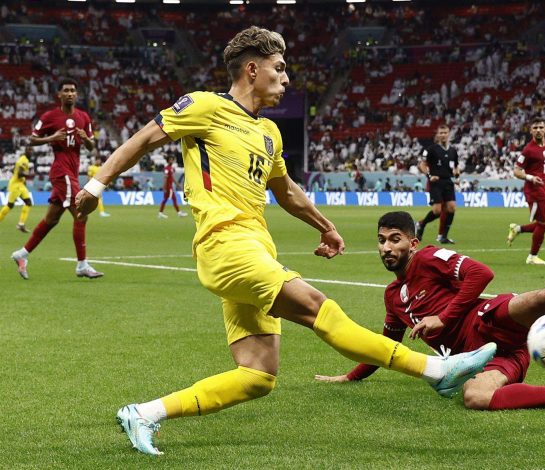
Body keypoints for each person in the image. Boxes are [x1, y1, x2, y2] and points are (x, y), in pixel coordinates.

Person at [75, 26, 495, 456]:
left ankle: (144, 413)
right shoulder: (205, 107)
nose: (287, 78)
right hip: (225, 243)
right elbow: (145, 137)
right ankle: (435, 369)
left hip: (255, 248)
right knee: (316, 307)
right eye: (280, 68)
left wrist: (324, 225)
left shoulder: (269, 133)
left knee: (257, 375)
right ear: (252, 69)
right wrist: (94, 186)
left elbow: (286, 189)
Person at [315, 211, 545, 412]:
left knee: (542, 298)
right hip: (489, 357)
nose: (385, 247)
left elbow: (482, 273)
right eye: (381, 241)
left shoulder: (430, 257)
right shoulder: (392, 297)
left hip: (489, 317)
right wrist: (350, 377)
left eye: (394, 239)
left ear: (413, 243)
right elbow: (385, 346)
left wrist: (444, 318)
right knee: (475, 398)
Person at [10, 78, 103, 280]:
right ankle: (82, 265)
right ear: (59, 95)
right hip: (62, 172)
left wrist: (85, 138)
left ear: (77, 95)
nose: (70, 93)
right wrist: (51, 138)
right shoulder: (50, 116)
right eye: (66, 90)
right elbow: (32, 140)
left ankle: (21, 254)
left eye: (73, 90)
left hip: (72, 171)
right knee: (82, 213)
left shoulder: (84, 117)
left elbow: (91, 147)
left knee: (51, 220)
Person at [506, 117, 545, 265]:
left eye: (541, 127)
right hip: (534, 191)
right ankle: (532, 257)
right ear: (531, 130)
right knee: (543, 222)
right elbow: (516, 171)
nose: (538, 130)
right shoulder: (528, 150)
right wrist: (531, 178)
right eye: (535, 128)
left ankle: (518, 229)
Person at [415, 124, 459, 244]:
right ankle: (420, 224)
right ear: (437, 135)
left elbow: (455, 167)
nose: (443, 135)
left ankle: (443, 236)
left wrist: (457, 177)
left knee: (451, 208)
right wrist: (429, 176)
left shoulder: (453, 151)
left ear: (449, 134)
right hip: (436, 182)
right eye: (441, 133)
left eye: (445, 133)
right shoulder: (431, 149)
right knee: (437, 211)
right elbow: (422, 165)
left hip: (448, 182)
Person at [0, 146, 33, 232]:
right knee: (10, 205)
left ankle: (21, 224)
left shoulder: (22, 159)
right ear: (26, 151)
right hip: (15, 185)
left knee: (28, 202)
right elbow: (19, 173)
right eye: (29, 150)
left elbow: (14, 170)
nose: (31, 152)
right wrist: (29, 174)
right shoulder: (24, 160)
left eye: (32, 150)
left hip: (20, 184)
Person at [157, 154, 187, 218]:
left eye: (172, 159)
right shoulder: (166, 168)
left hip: (170, 186)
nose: (171, 161)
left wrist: (177, 184)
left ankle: (160, 213)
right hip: (168, 187)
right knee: (173, 199)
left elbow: (172, 178)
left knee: (165, 199)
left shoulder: (171, 168)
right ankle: (179, 213)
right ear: (168, 161)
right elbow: (165, 178)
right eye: (170, 160)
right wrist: (164, 187)